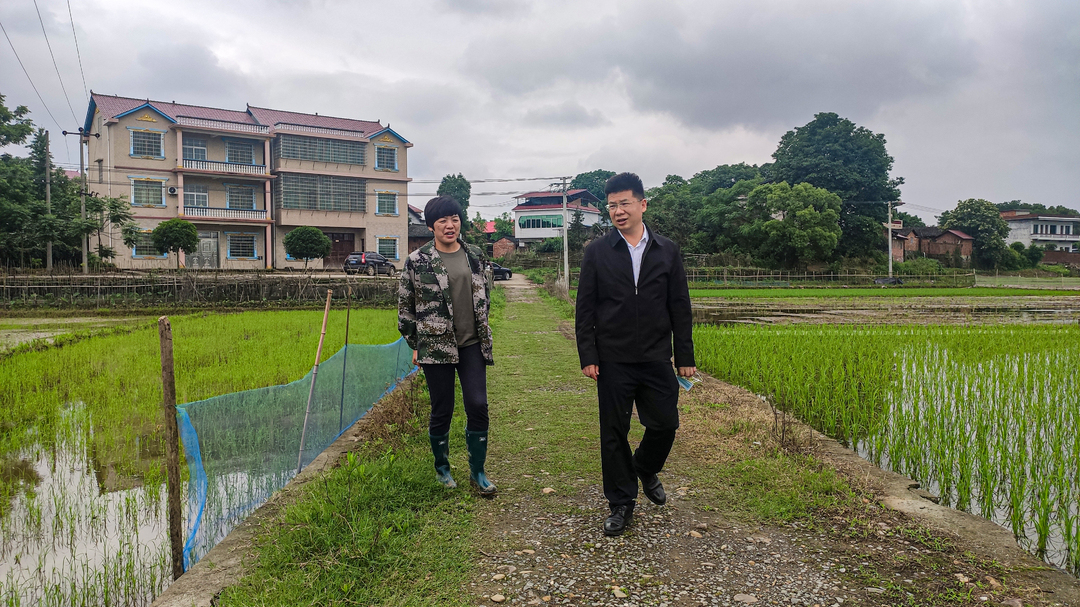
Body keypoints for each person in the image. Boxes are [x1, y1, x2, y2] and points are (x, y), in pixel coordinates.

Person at [574, 172, 696, 536]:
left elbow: (680, 306)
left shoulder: (667, 250)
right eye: (611, 205)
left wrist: (684, 355)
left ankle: (644, 466)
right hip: (613, 358)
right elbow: (586, 309)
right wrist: (588, 355)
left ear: (642, 204)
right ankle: (621, 503)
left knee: (665, 424)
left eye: (624, 203)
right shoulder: (597, 252)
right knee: (613, 432)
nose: (618, 211)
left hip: (657, 356)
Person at [398, 196, 496, 495]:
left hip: (471, 344)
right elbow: (405, 307)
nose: (449, 225)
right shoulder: (417, 261)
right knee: (443, 408)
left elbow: (485, 297)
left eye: (454, 218)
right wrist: (416, 343)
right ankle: (442, 469)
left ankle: (477, 472)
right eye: (442, 221)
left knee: (478, 405)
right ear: (431, 226)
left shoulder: (475, 255)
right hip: (435, 347)